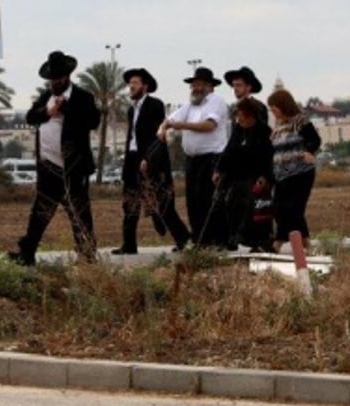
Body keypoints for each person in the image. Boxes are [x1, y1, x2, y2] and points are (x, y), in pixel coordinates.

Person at [12, 51, 100, 264]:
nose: (54, 83)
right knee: (40, 213)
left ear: (67, 77)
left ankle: (87, 255)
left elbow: (92, 121)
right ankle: (27, 253)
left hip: (73, 168)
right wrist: (48, 112)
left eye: (58, 79)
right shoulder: (45, 97)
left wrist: (66, 109)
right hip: (48, 167)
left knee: (79, 213)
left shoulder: (83, 97)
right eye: (51, 79)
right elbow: (31, 116)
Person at [112, 67, 191, 254]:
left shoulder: (154, 105)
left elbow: (157, 137)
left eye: (135, 83)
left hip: (150, 160)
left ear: (144, 86)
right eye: (130, 83)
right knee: (130, 204)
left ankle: (185, 241)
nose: (131, 87)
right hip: (131, 160)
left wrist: (148, 158)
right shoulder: (131, 110)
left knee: (163, 204)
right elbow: (133, 137)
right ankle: (129, 245)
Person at [158, 66, 229, 247]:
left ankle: (217, 239)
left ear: (209, 86)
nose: (195, 89)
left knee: (209, 200)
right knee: (193, 201)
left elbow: (209, 125)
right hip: (192, 159)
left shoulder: (217, 102)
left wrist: (183, 125)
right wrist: (163, 127)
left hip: (211, 157)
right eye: (193, 85)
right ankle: (199, 239)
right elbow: (171, 119)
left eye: (199, 85)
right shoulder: (189, 106)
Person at [213, 96, 274, 251]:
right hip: (236, 177)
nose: (237, 117)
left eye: (240, 113)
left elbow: (269, 157)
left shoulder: (264, 131)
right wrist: (218, 169)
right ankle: (233, 239)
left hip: (255, 177)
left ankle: (258, 242)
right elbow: (228, 151)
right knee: (232, 207)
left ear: (249, 114)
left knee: (253, 211)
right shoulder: (238, 130)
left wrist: (265, 177)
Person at [267, 89, 322, 252]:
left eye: (274, 107)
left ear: (283, 105)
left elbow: (315, 140)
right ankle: (305, 243)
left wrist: (309, 151)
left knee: (293, 209)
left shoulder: (300, 120)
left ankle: (279, 243)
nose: (273, 111)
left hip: (300, 173)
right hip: (281, 175)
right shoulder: (277, 127)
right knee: (279, 208)